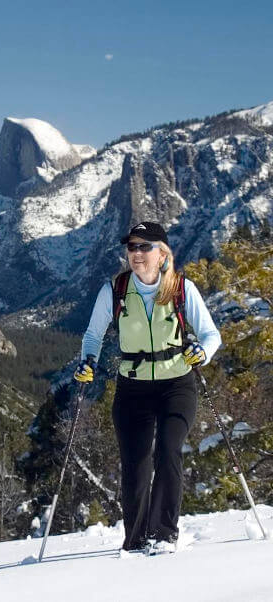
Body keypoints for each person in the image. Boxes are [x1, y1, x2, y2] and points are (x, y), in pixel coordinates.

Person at [74, 221, 221, 554]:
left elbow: (212, 335)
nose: (136, 253)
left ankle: (164, 535)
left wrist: (203, 352)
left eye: (145, 247)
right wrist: (88, 361)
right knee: (136, 464)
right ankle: (136, 540)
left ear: (162, 253)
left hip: (177, 385)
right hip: (133, 388)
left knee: (168, 451)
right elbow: (93, 335)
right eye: (132, 247)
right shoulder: (114, 290)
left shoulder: (182, 289)